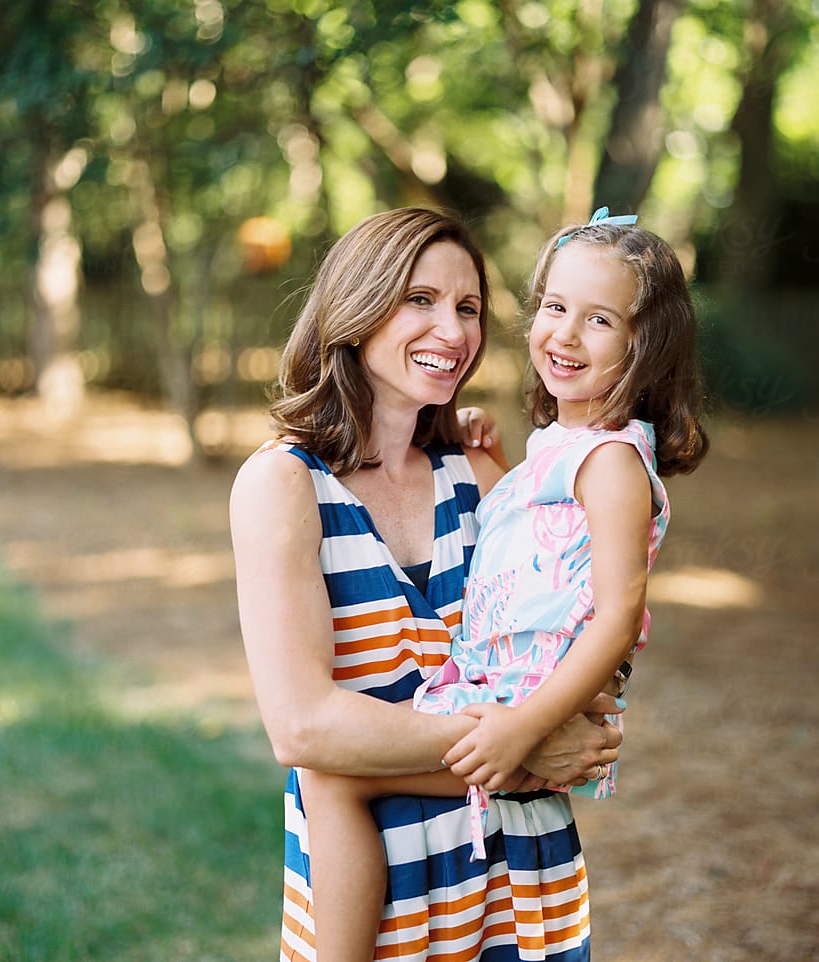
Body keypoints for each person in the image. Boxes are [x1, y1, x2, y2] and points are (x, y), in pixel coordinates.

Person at [295, 207, 710, 961]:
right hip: (504, 696)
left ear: (644, 349)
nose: (566, 334)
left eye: (600, 321)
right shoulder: (558, 452)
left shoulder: (614, 463)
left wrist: (524, 729)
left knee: (331, 781)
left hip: (518, 697)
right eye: (554, 308)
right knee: (331, 771)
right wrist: (490, 457)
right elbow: (513, 546)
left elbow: (617, 617)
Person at [229, 207, 625, 962]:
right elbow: (305, 731)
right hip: (383, 911)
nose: (452, 329)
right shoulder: (283, 486)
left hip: (521, 886)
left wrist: (559, 719)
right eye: (420, 299)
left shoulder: (480, 478)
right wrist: (531, 747)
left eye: (468, 307)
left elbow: (575, 633)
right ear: (356, 307)